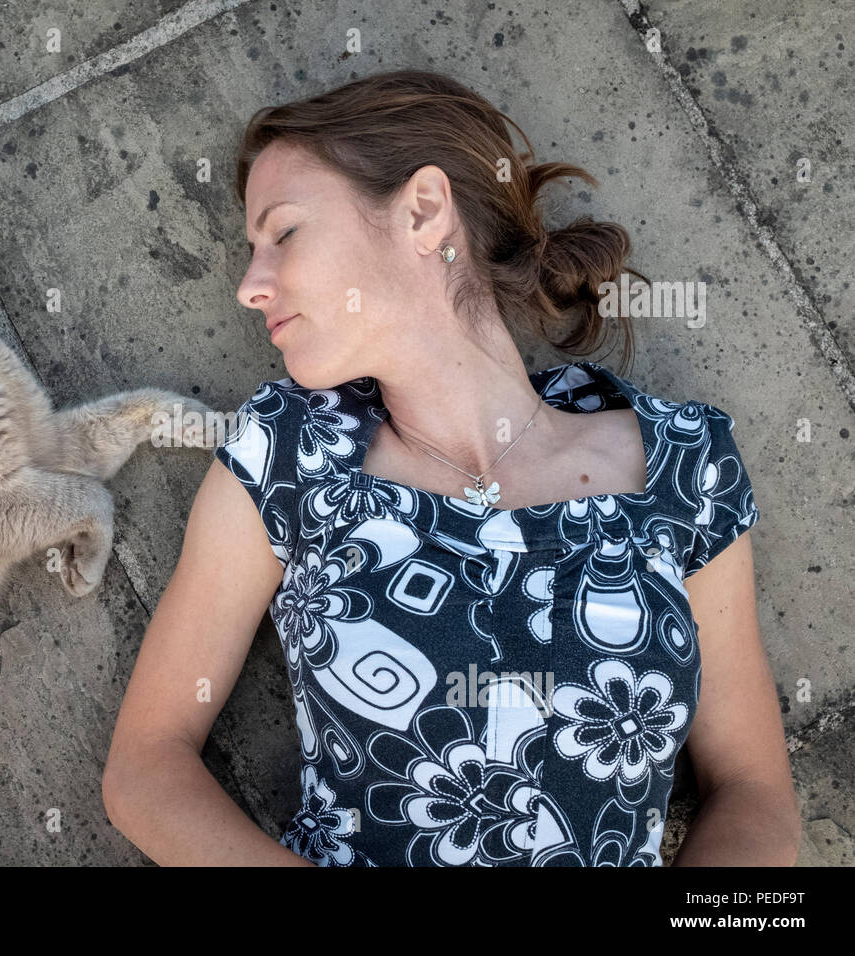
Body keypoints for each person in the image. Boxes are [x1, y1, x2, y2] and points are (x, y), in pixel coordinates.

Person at [101, 70, 799, 866]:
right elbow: (145, 767)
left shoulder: (683, 466)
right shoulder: (288, 459)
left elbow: (753, 792)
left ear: (424, 211)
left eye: (283, 233)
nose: (250, 286)